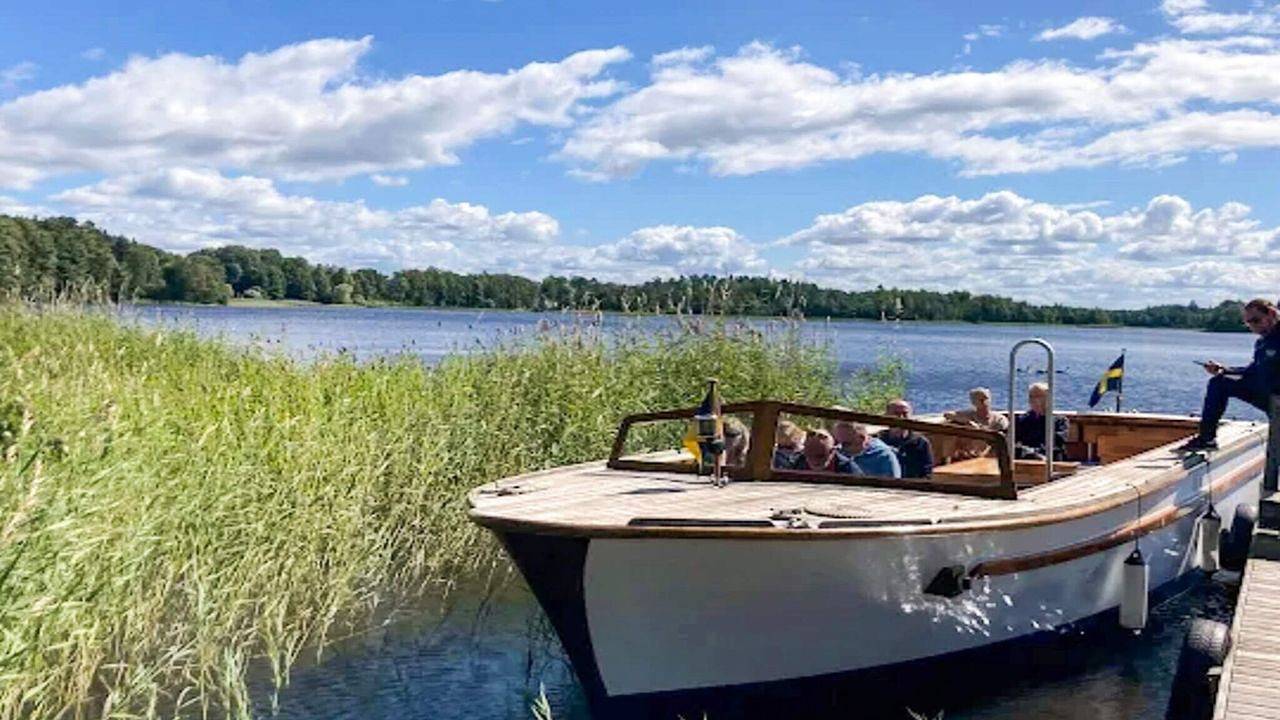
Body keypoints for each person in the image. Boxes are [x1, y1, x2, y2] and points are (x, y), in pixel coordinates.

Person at [1181, 298, 1280, 451]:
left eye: (1255, 320)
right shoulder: (1263, 342)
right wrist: (1224, 370)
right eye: (1248, 323)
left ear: (1272, 314)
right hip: (1267, 396)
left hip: (1276, 397)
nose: (1252, 326)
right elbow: (1253, 371)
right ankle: (1207, 438)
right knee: (1218, 382)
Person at [943, 387, 1009, 460]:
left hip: (990, 456)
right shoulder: (969, 414)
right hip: (968, 455)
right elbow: (947, 415)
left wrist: (978, 429)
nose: (984, 402)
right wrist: (968, 422)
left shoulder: (999, 419)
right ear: (974, 402)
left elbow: (999, 440)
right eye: (980, 400)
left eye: (986, 399)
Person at [877, 399, 933, 478]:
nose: (901, 417)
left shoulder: (920, 443)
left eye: (905, 414)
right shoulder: (878, 441)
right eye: (896, 414)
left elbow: (926, 473)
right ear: (886, 416)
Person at [1013, 382, 1068, 460]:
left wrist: (1037, 453)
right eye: (1031, 397)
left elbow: (1057, 444)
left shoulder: (1059, 421)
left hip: (1051, 461)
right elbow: (1013, 442)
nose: (1034, 400)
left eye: (1038, 396)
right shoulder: (1021, 420)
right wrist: (1029, 452)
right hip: (1026, 459)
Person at [833, 420, 901, 477]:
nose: (840, 447)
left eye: (846, 444)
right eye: (837, 442)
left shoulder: (884, 456)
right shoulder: (837, 454)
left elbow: (892, 487)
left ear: (862, 439)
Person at [793, 429, 858, 473]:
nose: (815, 461)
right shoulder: (798, 464)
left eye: (820, 456)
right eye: (809, 454)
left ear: (832, 451)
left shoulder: (848, 469)